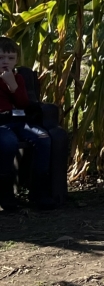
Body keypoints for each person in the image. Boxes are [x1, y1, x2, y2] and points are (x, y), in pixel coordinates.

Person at [0, 37, 53, 211]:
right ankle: (6, 193)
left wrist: (13, 86)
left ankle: (38, 190)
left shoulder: (18, 79)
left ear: (16, 60)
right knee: (8, 143)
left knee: (42, 137)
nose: (5, 62)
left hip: (19, 121)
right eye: (1, 58)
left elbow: (23, 103)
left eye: (10, 58)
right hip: (1, 124)